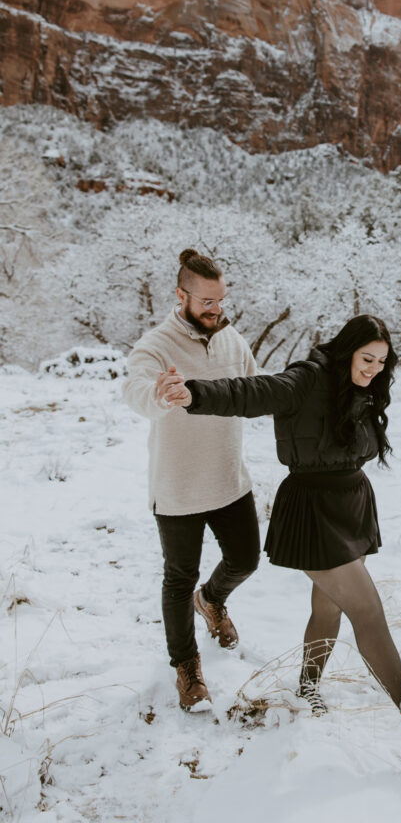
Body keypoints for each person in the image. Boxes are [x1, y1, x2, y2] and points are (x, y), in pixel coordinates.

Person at [159, 314, 401, 746]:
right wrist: (193, 394)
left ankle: (308, 687)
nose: (373, 369)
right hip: (314, 511)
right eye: (366, 358)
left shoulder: (363, 389)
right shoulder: (307, 380)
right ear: (346, 350)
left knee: (329, 607)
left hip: (351, 507)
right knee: (367, 609)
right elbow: (250, 392)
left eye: (381, 362)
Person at [122, 249, 260, 712]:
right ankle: (186, 667)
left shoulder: (231, 339)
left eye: (220, 299)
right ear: (180, 295)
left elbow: (253, 387)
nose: (216, 308)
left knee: (245, 559)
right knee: (179, 579)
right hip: (178, 487)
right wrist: (159, 395)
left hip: (229, 479)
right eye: (206, 301)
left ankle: (213, 601)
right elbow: (137, 391)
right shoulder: (155, 345)